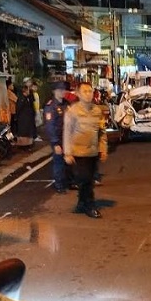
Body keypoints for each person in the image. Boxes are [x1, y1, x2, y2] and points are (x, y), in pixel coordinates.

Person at [63, 82, 107, 219]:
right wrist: (67, 152)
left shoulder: (97, 111)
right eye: (85, 91)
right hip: (79, 152)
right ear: (78, 94)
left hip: (93, 152)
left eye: (90, 91)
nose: (88, 94)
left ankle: (81, 203)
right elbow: (67, 132)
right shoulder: (73, 111)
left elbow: (102, 132)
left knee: (85, 180)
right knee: (86, 179)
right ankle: (90, 205)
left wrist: (103, 149)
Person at [44, 82, 72, 194]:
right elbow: (50, 126)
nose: (63, 92)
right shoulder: (50, 106)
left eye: (64, 90)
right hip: (58, 138)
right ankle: (59, 185)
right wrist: (55, 143)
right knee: (59, 162)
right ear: (54, 91)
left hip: (68, 138)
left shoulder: (66, 104)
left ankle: (69, 182)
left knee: (69, 161)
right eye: (60, 90)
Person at [16, 84, 37, 150]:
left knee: (28, 132)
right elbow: (19, 108)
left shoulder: (28, 98)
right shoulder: (21, 98)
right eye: (28, 90)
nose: (29, 91)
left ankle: (28, 145)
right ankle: (23, 146)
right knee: (23, 133)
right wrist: (17, 117)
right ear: (24, 91)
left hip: (28, 118)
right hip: (23, 119)